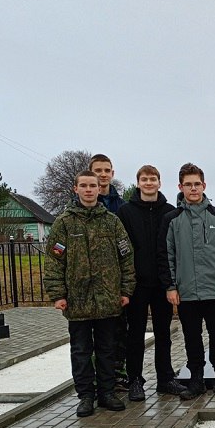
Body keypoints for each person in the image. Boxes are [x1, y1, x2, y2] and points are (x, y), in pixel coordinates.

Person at [44, 170, 135, 418]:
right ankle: (86, 395)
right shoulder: (64, 224)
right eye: (83, 185)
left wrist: (126, 290)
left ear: (99, 188)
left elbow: (126, 258)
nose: (88, 190)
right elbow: (54, 261)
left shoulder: (112, 222)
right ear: (76, 189)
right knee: (81, 351)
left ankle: (107, 392)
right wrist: (57, 294)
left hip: (108, 300)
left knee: (107, 349)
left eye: (92, 185)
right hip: (78, 301)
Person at [159, 162, 215, 399]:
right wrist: (170, 286)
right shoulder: (172, 219)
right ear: (180, 187)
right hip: (186, 292)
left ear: (204, 185)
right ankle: (196, 381)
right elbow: (166, 255)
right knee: (192, 338)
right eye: (188, 184)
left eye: (197, 184)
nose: (193, 188)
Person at [116, 165, 187, 402]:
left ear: (159, 182)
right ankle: (135, 379)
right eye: (144, 179)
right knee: (135, 334)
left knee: (163, 333)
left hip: (161, 282)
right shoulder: (125, 212)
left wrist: (172, 281)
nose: (148, 183)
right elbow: (122, 248)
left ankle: (165, 378)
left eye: (153, 179)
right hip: (136, 284)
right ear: (138, 183)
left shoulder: (169, 211)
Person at [89, 153, 128, 389]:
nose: (103, 175)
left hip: (115, 280)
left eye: (107, 171)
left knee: (118, 332)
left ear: (112, 174)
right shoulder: (80, 205)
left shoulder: (121, 207)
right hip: (89, 280)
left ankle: (117, 373)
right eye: (98, 170)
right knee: (92, 335)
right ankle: (97, 378)